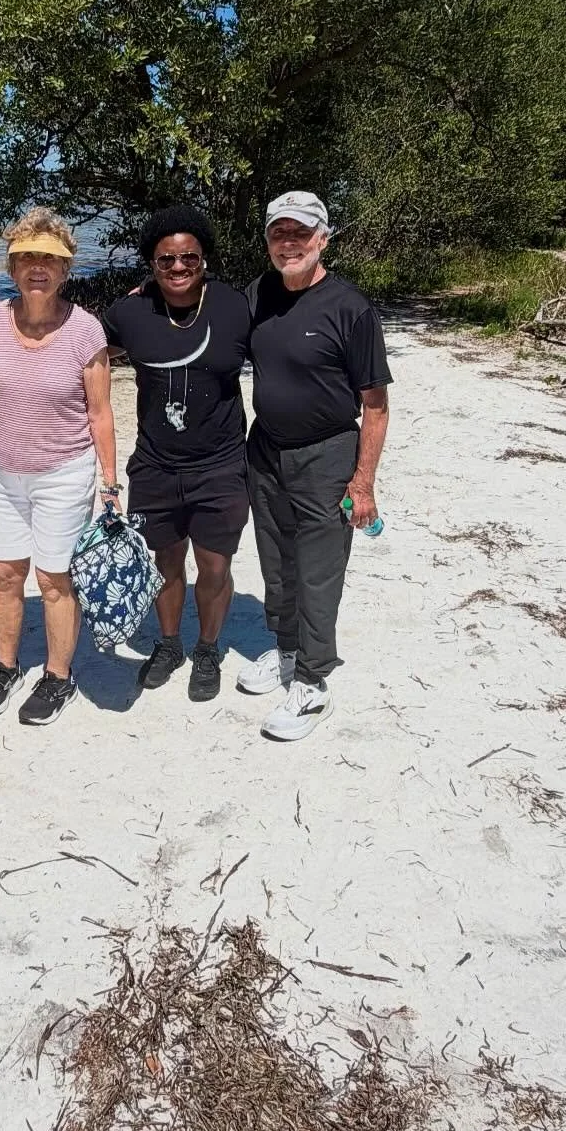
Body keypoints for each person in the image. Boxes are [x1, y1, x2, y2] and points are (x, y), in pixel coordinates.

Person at [238, 190, 391, 740]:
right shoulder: (259, 295)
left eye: (300, 233)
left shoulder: (350, 307)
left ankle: (313, 681)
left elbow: (375, 405)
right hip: (266, 451)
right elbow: (207, 323)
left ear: (323, 238)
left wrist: (363, 483)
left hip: (327, 455)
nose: (289, 243)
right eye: (279, 233)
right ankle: (284, 651)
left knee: (318, 571)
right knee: (276, 564)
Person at [0, 209, 120, 727]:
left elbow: (101, 413)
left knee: (54, 577)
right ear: (11, 267)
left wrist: (110, 484)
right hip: (3, 467)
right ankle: (5, 666)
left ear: (65, 269)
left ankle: (59, 676)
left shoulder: (84, 330)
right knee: (3, 571)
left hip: (65, 470)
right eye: (28, 257)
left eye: (50, 259)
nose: (39, 267)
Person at [102, 206, 252, 701]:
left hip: (221, 464)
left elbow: (284, 352)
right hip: (155, 464)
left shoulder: (235, 306)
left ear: (204, 258)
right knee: (165, 562)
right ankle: (168, 644)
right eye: (166, 260)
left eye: (189, 257)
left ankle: (207, 648)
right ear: (151, 263)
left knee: (214, 565)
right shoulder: (129, 312)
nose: (178, 267)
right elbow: (77, 353)